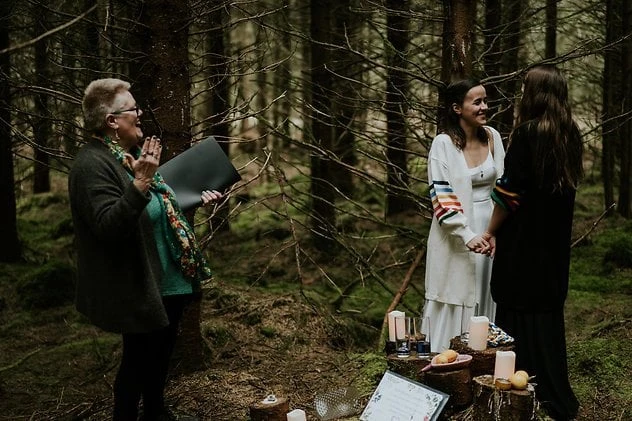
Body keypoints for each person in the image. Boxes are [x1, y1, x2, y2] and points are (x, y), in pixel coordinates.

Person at [69, 78, 223, 421]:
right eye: (133, 109)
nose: (140, 114)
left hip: (168, 279)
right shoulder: (91, 165)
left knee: (160, 356)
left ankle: (156, 413)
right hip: (137, 283)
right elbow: (109, 226)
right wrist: (140, 182)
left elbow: (156, 209)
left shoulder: (135, 155)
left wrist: (192, 199)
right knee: (137, 361)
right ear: (112, 121)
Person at [483, 65, 583, 420]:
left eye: (525, 88)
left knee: (517, 311)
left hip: (523, 243)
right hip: (553, 245)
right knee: (546, 315)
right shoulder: (570, 134)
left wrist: (490, 231)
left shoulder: (527, 134)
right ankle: (552, 393)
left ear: (536, 94)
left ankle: (518, 392)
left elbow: (508, 194)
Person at [423, 79, 505, 352]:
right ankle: (444, 357)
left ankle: (482, 358)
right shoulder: (443, 144)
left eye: (485, 101)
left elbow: (503, 187)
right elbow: (441, 194)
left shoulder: (493, 137)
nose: (484, 107)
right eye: (477, 102)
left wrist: (496, 231)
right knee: (455, 292)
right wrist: (467, 234)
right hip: (455, 234)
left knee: (485, 293)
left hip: (491, 231)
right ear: (457, 108)